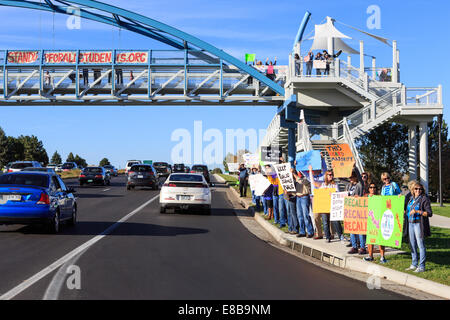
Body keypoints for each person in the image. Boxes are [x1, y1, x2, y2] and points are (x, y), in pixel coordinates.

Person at [405, 182, 432, 273]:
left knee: (420, 245)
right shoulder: (410, 199)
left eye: (420, 189)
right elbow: (408, 210)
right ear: (413, 190)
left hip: (418, 224)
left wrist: (417, 211)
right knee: (412, 244)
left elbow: (429, 213)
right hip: (410, 223)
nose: (418, 191)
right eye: (416, 189)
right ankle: (414, 264)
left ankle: (421, 266)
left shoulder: (424, 199)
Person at [363, 183, 388, 263]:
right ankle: (370, 256)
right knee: (370, 239)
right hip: (369, 220)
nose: (373, 189)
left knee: (380, 240)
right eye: (371, 187)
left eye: (374, 187)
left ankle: (382, 257)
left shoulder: (380, 197)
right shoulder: (366, 197)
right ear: (369, 189)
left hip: (378, 220)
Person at [310, 167, 335, 242]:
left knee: (331, 221)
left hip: (332, 206)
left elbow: (338, 194)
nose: (331, 176)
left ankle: (335, 234)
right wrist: (311, 171)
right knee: (325, 221)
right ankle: (327, 237)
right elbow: (313, 182)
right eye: (329, 175)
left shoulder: (335, 185)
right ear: (326, 176)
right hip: (324, 206)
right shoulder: (322, 184)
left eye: (332, 175)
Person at [346, 170, 366, 254]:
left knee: (360, 229)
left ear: (355, 177)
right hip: (350, 210)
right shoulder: (349, 186)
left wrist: (355, 168)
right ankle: (354, 246)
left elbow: (361, 181)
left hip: (358, 209)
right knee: (352, 229)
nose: (350, 179)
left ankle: (362, 247)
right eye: (349, 177)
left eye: (351, 177)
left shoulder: (359, 185)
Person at [293, 168, 314, 238]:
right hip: (298, 197)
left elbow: (301, 182)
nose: (299, 172)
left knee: (306, 215)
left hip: (304, 197)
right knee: (300, 215)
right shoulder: (297, 177)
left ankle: (310, 231)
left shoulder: (307, 177)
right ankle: (302, 231)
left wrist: (294, 174)